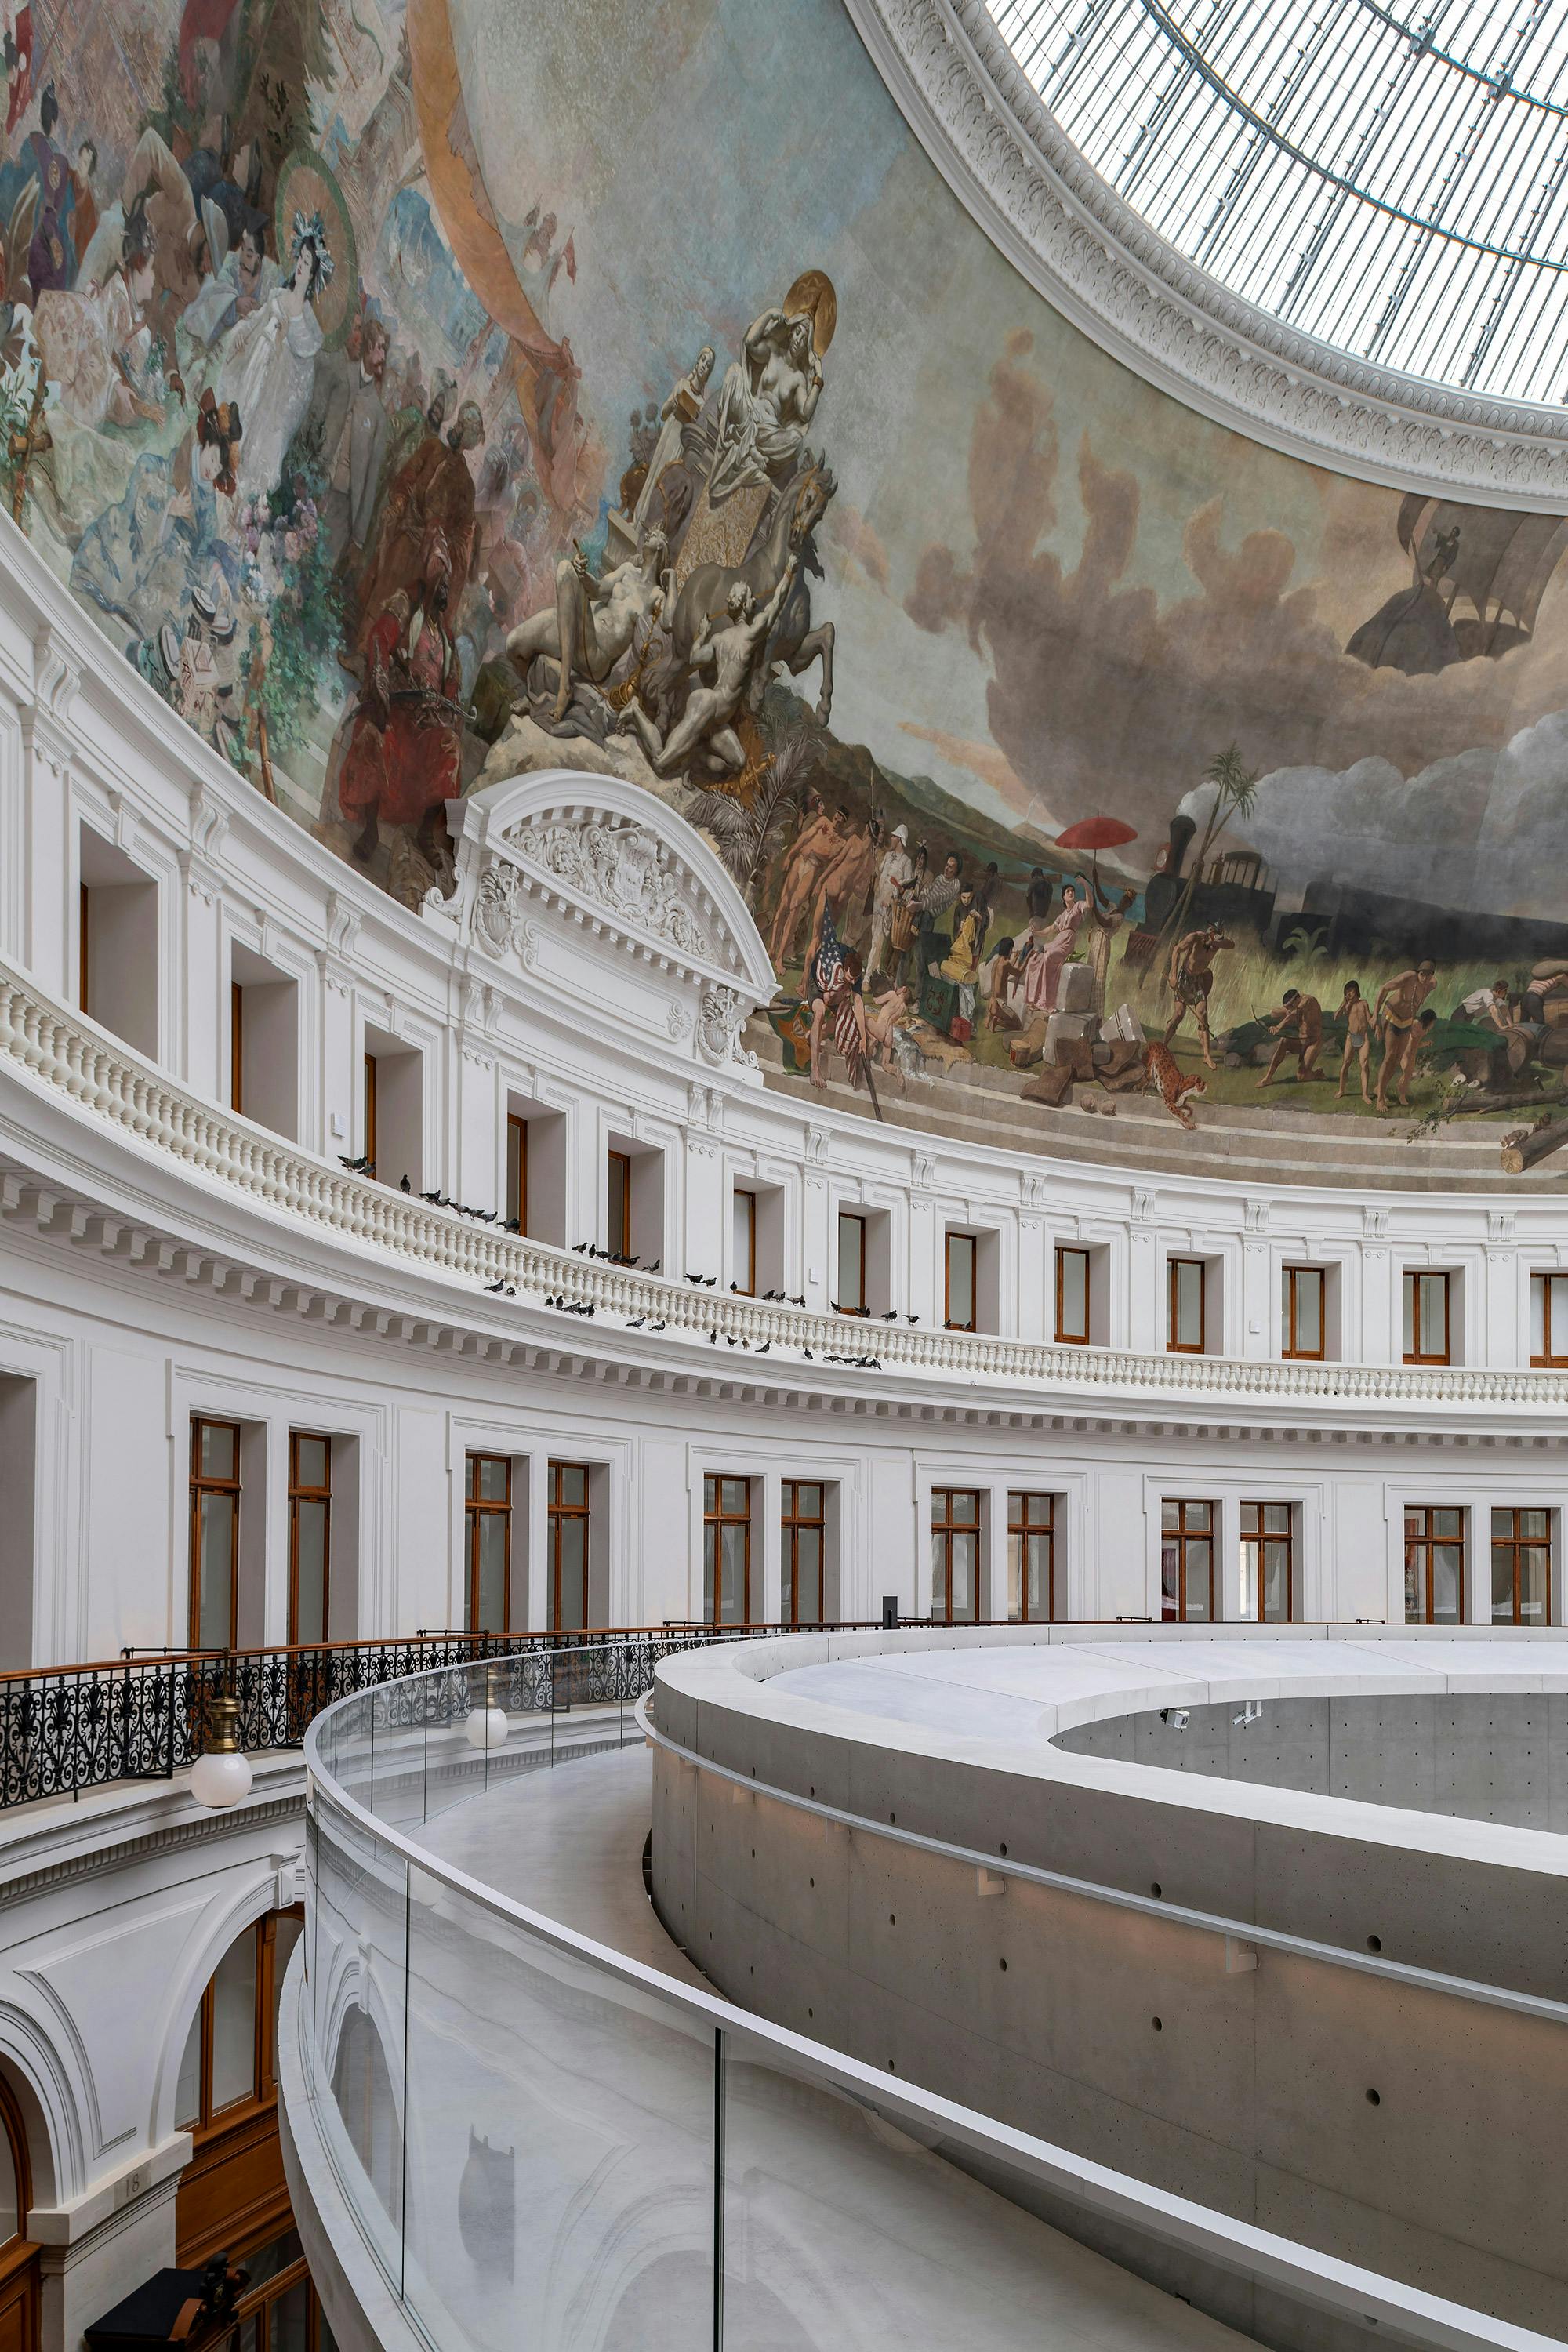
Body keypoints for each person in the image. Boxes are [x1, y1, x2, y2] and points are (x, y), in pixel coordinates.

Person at [339, 531, 466, 867]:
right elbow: (380, 638)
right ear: (431, 576)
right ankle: (369, 828)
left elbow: (452, 682)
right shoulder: (406, 605)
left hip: (428, 722)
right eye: (442, 581)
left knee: (450, 745)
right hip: (396, 706)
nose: (445, 591)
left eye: (448, 585)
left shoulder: (448, 638)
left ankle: (426, 832)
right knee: (377, 736)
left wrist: (445, 711)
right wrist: (380, 680)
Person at [618, 559, 797, 781]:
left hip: (717, 719)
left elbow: (695, 657)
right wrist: (788, 571)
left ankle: (691, 762)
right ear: (744, 605)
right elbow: (776, 604)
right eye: (750, 598)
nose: (753, 601)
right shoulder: (750, 637)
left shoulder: (719, 640)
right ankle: (635, 711)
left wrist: (702, 635)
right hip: (707, 705)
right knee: (661, 764)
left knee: (737, 762)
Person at [214, 215, 331, 501]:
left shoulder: (306, 320)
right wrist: (242, 330)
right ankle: (222, 465)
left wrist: (285, 339)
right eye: (301, 259)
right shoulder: (279, 294)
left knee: (259, 429)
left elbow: (302, 368)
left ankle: (241, 485)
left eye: (307, 263)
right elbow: (257, 319)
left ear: (314, 273)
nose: (302, 266)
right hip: (256, 362)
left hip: (275, 384)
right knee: (241, 409)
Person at [355, 401, 485, 655]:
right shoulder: (432, 447)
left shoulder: (466, 485)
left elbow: (462, 533)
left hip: (426, 559)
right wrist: (399, 502)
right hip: (405, 536)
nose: (457, 430)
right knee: (382, 590)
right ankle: (361, 651)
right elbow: (407, 477)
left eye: (463, 428)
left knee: (402, 611)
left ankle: (378, 665)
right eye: (458, 423)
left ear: (469, 439)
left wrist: (442, 550)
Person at [505, 528, 669, 724]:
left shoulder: (656, 594)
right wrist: (582, 574)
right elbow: (598, 589)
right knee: (513, 644)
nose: (649, 533)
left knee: (565, 568)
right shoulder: (627, 570)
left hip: (595, 655)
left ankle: (564, 686)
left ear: (661, 545)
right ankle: (534, 698)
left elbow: (668, 623)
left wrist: (673, 580)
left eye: (655, 534)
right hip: (580, 627)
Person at [33, 203, 162, 430]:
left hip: (104, 393)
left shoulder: (131, 307)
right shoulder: (115, 297)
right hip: (74, 387)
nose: (154, 279)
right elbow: (95, 352)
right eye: (152, 269)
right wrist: (116, 386)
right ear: (140, 263)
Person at [768, 800, 844, 971]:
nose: (838, 818)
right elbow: (806, 836)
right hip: (799, 861)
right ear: (835, 814)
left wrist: (814, 851)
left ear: (844, 822)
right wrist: (791, 854)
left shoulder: (840, 842)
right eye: (838, 814)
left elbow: (828, 856)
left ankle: (780, 958)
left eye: (842, 818)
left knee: (795, 908)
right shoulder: (823, 821)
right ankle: (772, 948)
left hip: (812, 867)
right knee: (784, 903)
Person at [1161, 924, 1234, 1067]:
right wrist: (1174, 975)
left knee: (1203, 1013)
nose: (1215, 946)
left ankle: (1207, 1056)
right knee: (1179, 1014)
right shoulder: (1195, 937)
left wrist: (1216, 942)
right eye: (1215, 938)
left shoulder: (1218, 943)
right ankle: (1163, 1046)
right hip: (1184, 978)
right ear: (1210, 933)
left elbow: (1231, 944)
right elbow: (1177, 950)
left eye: (1219, 939)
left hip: (1198, 980)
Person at [1374, 960, 1437, 1109]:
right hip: (1392, 1015)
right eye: (1422, 974)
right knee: (1389, 1056)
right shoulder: (1408, 978)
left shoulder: (1431, 984)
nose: (1425, 978)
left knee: (1397, 1060)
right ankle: (1380, 1100)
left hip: (1407, 1020)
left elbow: (1432, 983)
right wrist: (1374, 1016)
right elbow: (1384, 988)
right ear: (1418, 972)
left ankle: (1379, 1088)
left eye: (1429, 975)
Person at [1023, 883, 1087, 1019]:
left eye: (1072, 891)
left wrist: (1086, 884)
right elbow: (1051, 929)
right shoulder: (1062, 915)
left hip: (1067, 942)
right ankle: (1034, 998)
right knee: (1035, 958)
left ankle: (1047, 1001)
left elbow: (1090, 904)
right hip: (1057, 941)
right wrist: (1037, 932)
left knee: (1049, 957)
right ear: (1064, 896)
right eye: (1068, 891)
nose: (1071, 893)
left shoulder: (1078, 906)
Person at [868, 821, 914, 984]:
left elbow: (907, 889)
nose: (891, 838)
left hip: (892, 909)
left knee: (881, 942)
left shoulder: (907, 862)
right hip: (878, 902)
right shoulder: (887, 856)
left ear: (900, 840)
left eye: (894, 836)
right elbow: (879, 875)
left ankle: (871, 977)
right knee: (876, 940)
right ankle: (870, 977)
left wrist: (893, 895)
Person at [1257, 988, 1323, 1086]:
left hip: (1314, 1042)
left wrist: (1278, 1027)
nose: (1289, 1010)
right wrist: (1284, 1011)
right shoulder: (1294, 1004)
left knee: (1302, 1077)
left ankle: (1318, 1073)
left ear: (1296, 1001)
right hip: (1301, 1041)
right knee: (1283, 1041)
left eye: (1290, 1007)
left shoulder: (1308, 1001)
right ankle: (1268, 1078)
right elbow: (1273, 1013)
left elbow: (1295, 1013)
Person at [1334, 979, 1374, 1102]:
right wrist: (1344, 1003)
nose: (1349, 993)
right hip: (1351, 1037)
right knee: (1346, 1063)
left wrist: (1376, 1024)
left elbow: (1369, 1018)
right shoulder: (1347, 1005)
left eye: (1351, 990)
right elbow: (1336, 1017)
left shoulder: (1364, 1003)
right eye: (1347, 991)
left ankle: (1365, 1095)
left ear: (1356, 990)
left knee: (1365, 1063)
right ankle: (1341, 1090)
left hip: (1363, 1036)